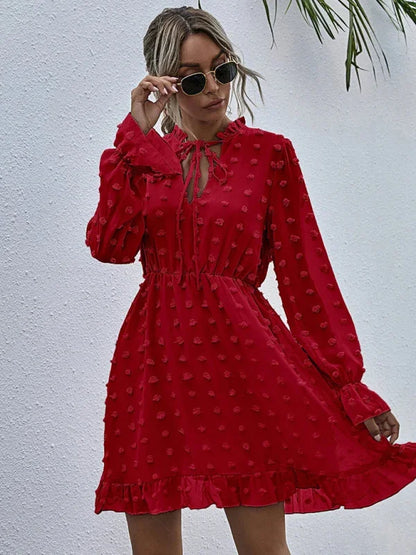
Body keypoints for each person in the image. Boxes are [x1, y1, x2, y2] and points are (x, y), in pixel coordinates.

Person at [85, 6, 416, 555]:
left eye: (223, 69)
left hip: (243, 368)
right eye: (193, 79)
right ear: (165, 85)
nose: (215, 88)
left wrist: (347, 383)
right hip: (153, 364)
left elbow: (307, 276)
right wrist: (134, 137)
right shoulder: (141, 158)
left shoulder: (270, 155)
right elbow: (109, 246)